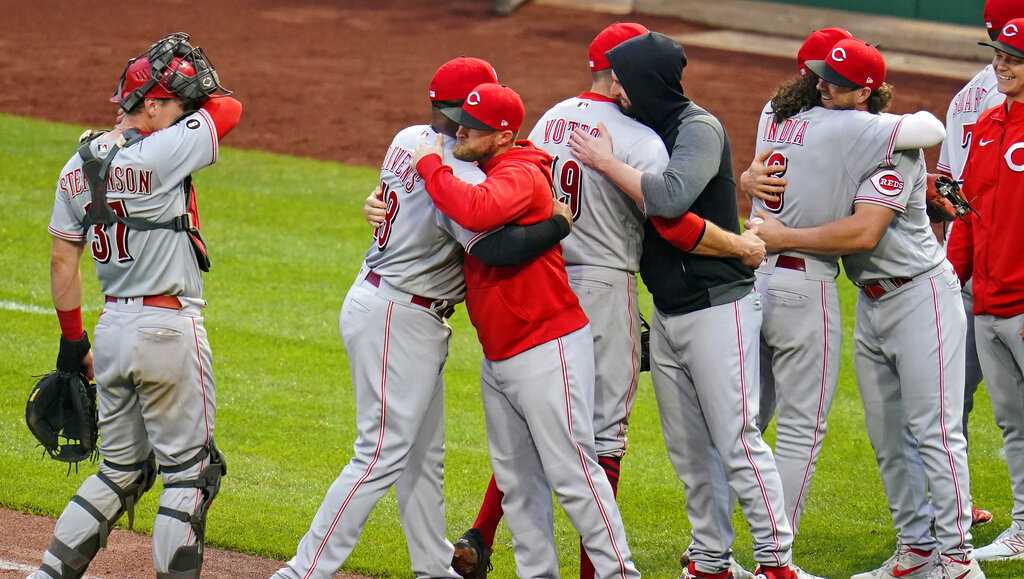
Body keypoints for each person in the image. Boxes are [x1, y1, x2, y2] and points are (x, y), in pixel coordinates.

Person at [443, 23, 766, 579]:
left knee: (540, 421)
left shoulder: (548, 119)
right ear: (622, 76)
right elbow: (670, 220)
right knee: (603, 435)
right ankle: (600, 570)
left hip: (542, 277)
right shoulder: (641, 138)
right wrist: (739, 244)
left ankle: (485, 533)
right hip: (603, 288)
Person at [273, 57, 572, 579]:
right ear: (460, 112)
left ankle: (434, 569)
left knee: (421, 457)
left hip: (394, 304)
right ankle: (302, 571)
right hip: (399, 314)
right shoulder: (456, 171)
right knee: (380, 452)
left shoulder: (410, 137)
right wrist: (558, 223)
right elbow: (498, 248)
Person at [750, 39, 981, 579]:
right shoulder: (844, 135)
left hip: (922, 296)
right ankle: (917, 551)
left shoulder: (890, 144)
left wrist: (786, 237)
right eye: (823, 78)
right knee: (887, 437)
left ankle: (958, 560)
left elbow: (864, 229)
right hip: (873, 302)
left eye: (838, 82)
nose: (824, 87)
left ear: (867, 91)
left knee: (936, 431)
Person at [569, 32, 798, 579]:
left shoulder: (697, 128)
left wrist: (604, 162)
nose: (615, 87)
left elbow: (670, 199)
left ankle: (776, 563)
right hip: (669, 310)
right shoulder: (644, 129)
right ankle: (711, 562)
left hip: (719, 307)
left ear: (648, 80)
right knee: (692, 456)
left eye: (623, 77)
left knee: (739, 443)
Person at [32, 33, 241, 579]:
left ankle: (47, 574)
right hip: (168, 330)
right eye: (175, 103)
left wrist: (72, 342)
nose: (183, 114)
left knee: (120, 469)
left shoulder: (76, 167)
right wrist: (179, 91)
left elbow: (62, 261)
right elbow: (229, 108)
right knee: (190, 476)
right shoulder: (162, 150)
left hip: (112, 332)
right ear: (150, 105)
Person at [412, 82, 640, 579]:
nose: (459, 131)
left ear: (504, 135)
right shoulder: (494, 167)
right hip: (503, 352)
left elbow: (474, 213)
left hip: (546, 345)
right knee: (518, 482)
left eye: (473, 127)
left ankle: (620, 573)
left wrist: (428, 165)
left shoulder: (520, 173)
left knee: (574, 474)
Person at [933, 0, 1024, 529]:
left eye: (1014, 58)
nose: (1002, 66)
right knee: (1012, 424)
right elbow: (966, 210)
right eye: (999, 55)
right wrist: (953, 277)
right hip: (986, 299)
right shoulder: (987, 120)